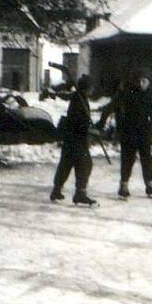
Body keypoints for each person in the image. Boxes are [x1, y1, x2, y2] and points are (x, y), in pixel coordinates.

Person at [96, 67, 152, 199]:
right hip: (128, 132)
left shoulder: (151, 95)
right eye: (139, 81)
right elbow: (109, 108)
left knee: (147, 159)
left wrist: (150, 131)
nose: (141, 84)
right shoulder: (126, 92)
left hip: (144, 132)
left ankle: (150, 185)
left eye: (144, 81)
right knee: (128, 159)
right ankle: (123, 185)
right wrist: (101, 124)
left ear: (149, 82)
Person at [50, 74, 99, 206]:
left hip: (72, 139)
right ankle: (80, 194)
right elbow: (77, 121)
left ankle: (57, 190)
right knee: (85, 164)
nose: (93, 90)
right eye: (91, 87)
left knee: (66, 164)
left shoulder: (80, 98)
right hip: (77, 139)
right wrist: (89, 130)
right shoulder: (79, 100)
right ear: (87, 88)